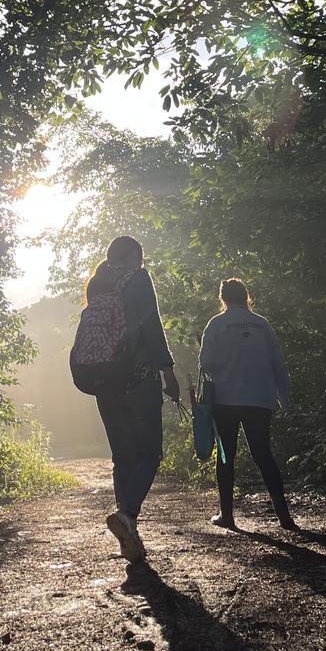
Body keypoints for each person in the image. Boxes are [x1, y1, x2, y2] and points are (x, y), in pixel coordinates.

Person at [86, 235, 181, 563]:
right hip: (139, 379)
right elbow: (151, 325)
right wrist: (168, 373)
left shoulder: (97, 283)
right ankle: (126, 514)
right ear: (136, 258)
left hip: (105, 384)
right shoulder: (138, 279)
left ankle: (128, 536)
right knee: (150, 453)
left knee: (123, 458)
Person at [199, 277, 296, 531]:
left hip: (225, 399)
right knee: (263, 454)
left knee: (225, 455)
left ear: (223, 298)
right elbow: (278, 362)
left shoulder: (216, 324)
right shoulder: (262, 325)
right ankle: (284, 515)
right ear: (246, 297)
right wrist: (284, 398)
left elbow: (206, 363)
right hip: (259, 399)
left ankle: (227, 515)